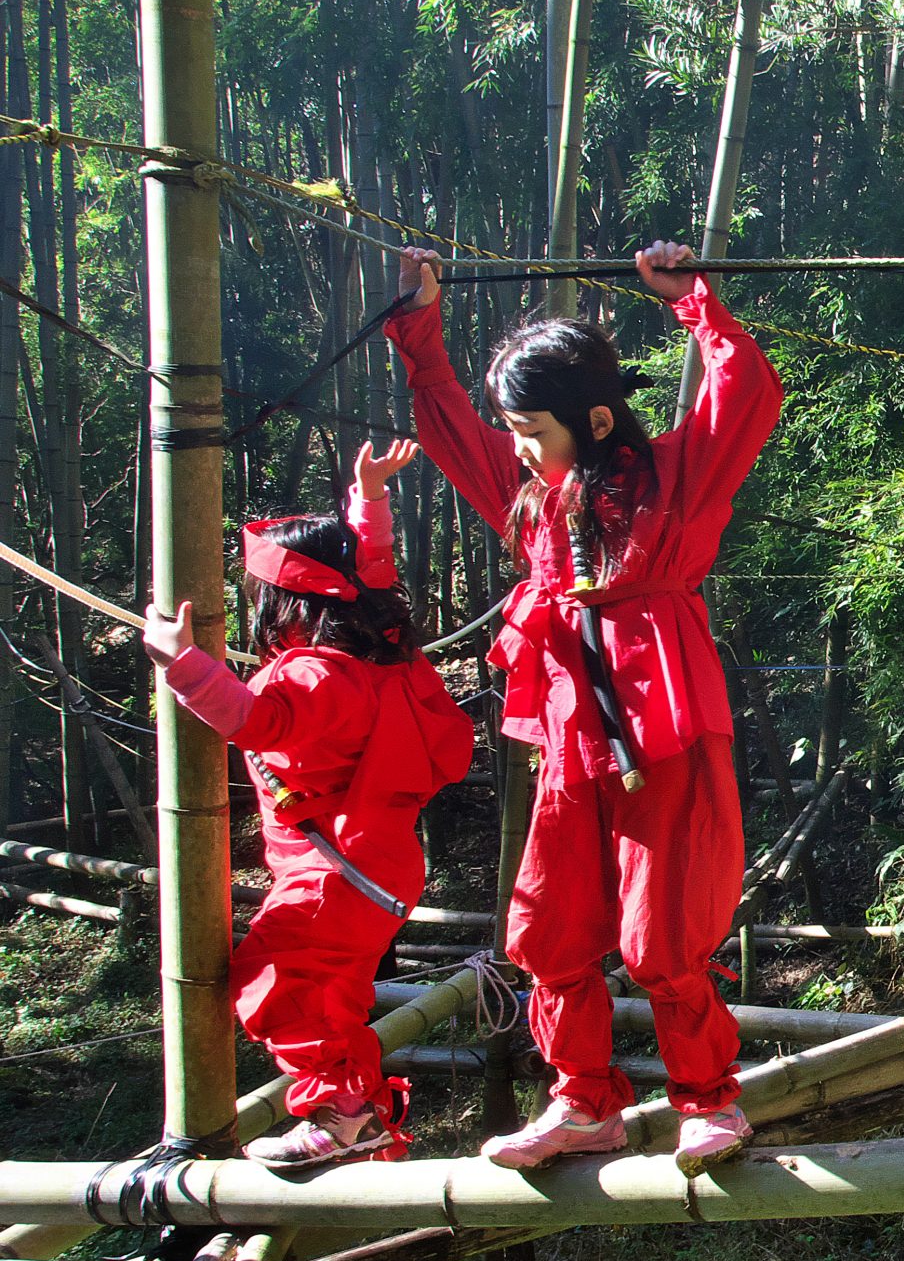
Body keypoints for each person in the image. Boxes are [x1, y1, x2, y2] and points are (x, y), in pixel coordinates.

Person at [385, 242, 784, 1174]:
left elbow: (746, 393)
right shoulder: (534, 499)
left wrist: (696, 304)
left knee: (663, 931)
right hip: (569, 733)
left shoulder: (678, 480)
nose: (519, 447)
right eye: (515, 429)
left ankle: (707, 1099)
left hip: (663, 720)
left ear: (596, 418)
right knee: (551, 924)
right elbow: (448, 428)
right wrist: (420, 323)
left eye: (533, 428)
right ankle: (583, 1101)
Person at [142, 442, 477, 1170]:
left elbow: (253, 720)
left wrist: (183, 663)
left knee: (275, 983)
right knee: (334, 998)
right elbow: (373, 573)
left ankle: (343, 1110)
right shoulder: (389, 660)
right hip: (376, 864)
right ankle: (361, 1116)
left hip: (334, 872)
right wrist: (369, 500)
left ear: (287, 602)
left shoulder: (313, 675)